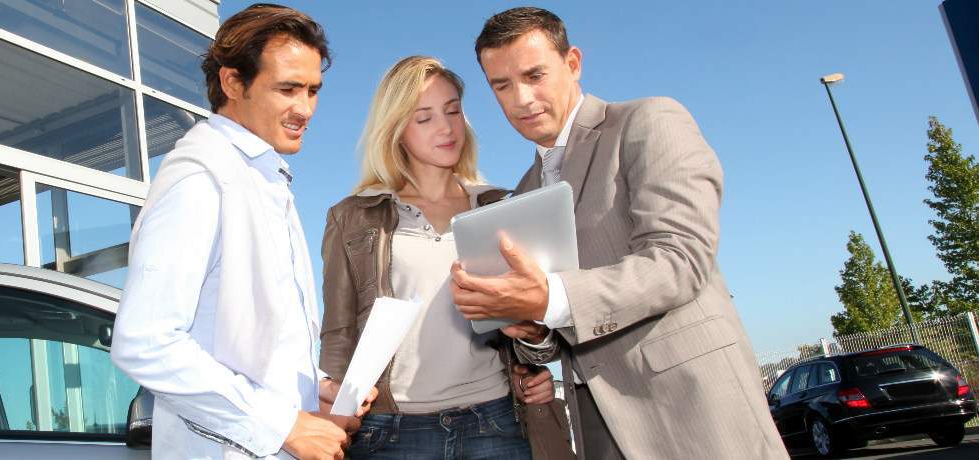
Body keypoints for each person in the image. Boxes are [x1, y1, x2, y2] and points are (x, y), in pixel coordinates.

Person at [449, 7, 789, 459]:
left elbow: (680, 260)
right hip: (594, 421)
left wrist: (548, 298)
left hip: (693, 409)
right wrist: (529, 328)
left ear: (573, 63)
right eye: (502, 86)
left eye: (535, 75)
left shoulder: (648, 121)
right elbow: (557, 332)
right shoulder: (524, 193)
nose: (521, 99)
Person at [110, 4, 372, 459]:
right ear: (233, 82)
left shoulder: (263, 177)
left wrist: (313, 391)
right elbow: (146, 342)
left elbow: (250, 345)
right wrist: (283, 423)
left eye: (312, 90)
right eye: (287, 89)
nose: (304, 108)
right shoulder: (201, 177)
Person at [319, 56, 572, 460]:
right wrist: (333, 410)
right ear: (396, 129)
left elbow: (541, 327)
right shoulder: (352, 216)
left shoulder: (503, 206)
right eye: (424, 117)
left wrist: (535, 356)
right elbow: (338, 333)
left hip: (495, 421)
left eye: (453, 110)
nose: (446, 127)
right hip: (390, 432)